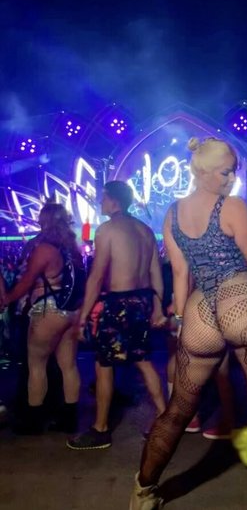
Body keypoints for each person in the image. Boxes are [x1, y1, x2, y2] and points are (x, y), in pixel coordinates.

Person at [130, 137, 247, 510]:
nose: (231, 179)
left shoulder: (172, 214)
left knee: (177, 410)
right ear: (202, 171)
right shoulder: (231, 207)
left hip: (201, 311)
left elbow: (181, 274)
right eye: (225, 172)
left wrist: (181, 320)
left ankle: (143, 493)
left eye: (233, 172)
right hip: (244, 304)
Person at [67, 181, 167, 450]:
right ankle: (165, 419)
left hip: (118, 303)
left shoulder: (108, 230)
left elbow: (97, 276)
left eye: (103, 198)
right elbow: (156, 274)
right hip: (142, 300)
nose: (100, 203)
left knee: (103, 365)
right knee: (143, 360)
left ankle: (100, 429)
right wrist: (157, 307)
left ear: (114, 201)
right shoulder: (145, 231)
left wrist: (84, 315)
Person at [0, 203, 83, 434]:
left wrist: (7, 299)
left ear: (45, 221)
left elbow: (26, 282)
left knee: (37, 365)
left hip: (48, 310)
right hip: (71, 311)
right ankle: (69, 420)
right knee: (69, 366)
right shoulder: (72, 249)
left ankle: (33, 422)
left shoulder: (44, 249)